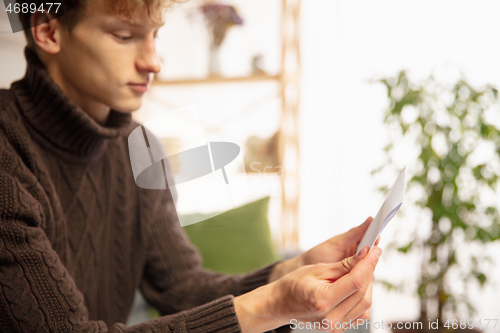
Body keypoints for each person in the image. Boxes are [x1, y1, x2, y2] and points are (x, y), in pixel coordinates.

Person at [0, 0, 382, 331]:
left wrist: (290, 270)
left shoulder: (141, 147)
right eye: (123, 35)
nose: (153, 62)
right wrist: (274, 304)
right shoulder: (7, 150)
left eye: (155, 35)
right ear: (48, 31)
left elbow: (182, 288)